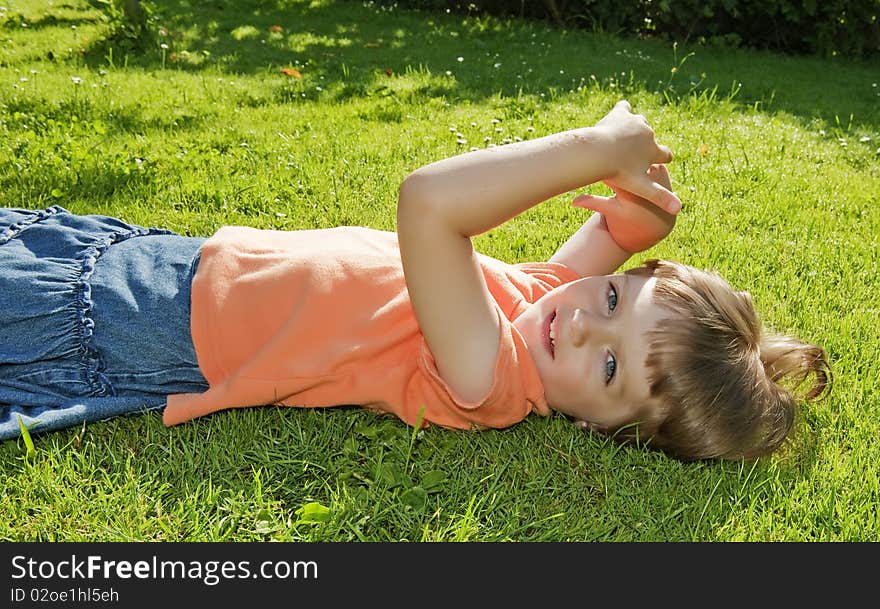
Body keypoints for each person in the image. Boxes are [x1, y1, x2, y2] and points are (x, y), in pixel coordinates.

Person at [0, 100, 830, 460]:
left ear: (594, 427)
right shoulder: (539, 308)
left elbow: (429, 203)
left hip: (142, 319)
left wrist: (596, 147)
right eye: (612, 299)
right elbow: (607, 241)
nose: (581, 323)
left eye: (608, 367)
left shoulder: (490, 379)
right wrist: (640, 228)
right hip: (176, 267)